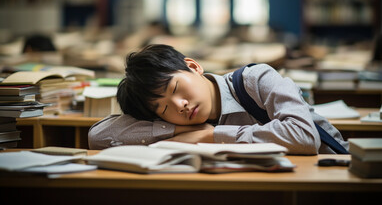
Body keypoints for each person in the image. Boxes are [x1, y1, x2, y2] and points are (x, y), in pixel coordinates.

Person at [88, 44, 348, 154]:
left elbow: (304, 136)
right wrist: (180, 129)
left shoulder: (256, 79)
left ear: (193, 66)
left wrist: (211, 135)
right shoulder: (183, 121)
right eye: (163, 107)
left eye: (176, 87)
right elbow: (98, 136)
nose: (179, 105)